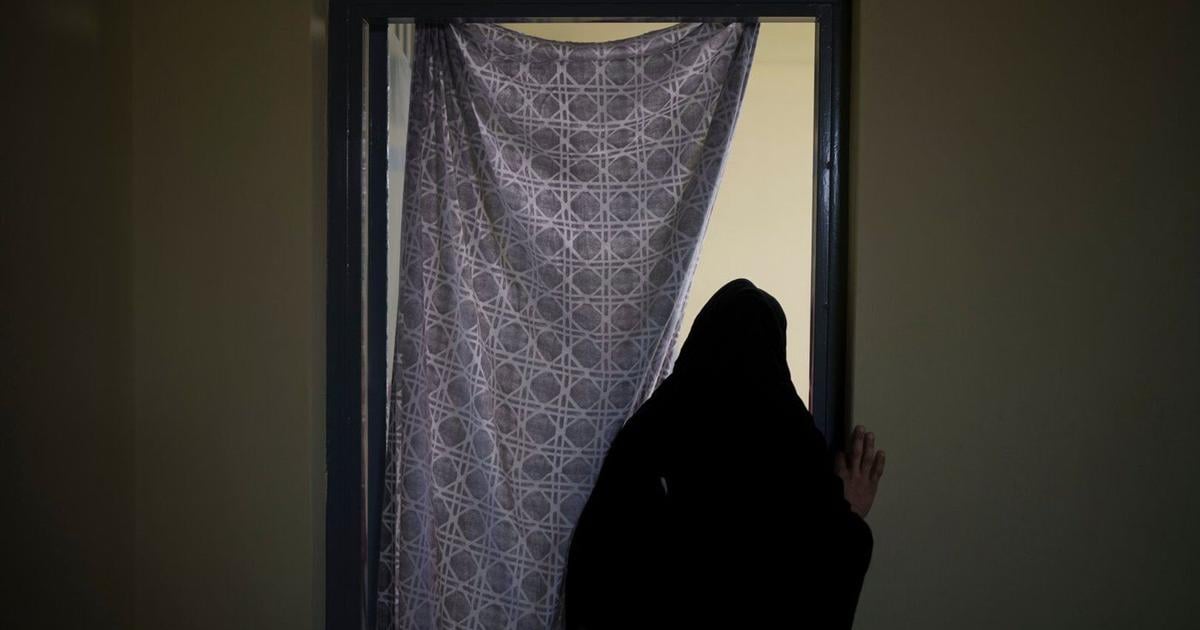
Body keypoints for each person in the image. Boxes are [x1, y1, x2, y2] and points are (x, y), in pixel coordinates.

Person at [563, 278, 885, 629]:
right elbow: (815, 585)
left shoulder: (648, 444)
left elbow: (600, 571)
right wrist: (847, 517)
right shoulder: (794, 456)